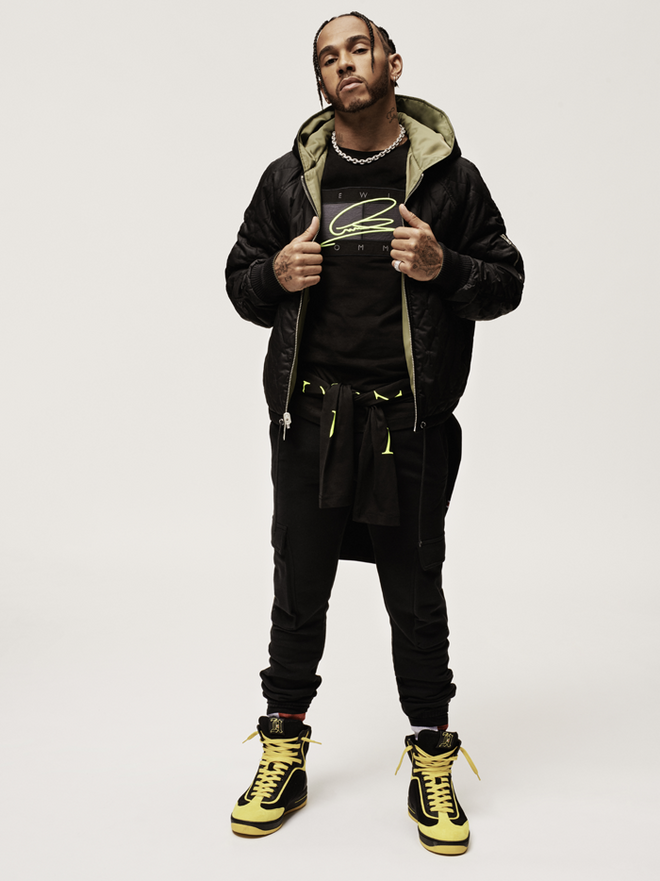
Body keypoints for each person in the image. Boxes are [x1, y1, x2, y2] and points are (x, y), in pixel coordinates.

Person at [225, 11, 523, 856]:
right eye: (329, 57)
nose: (345, 64)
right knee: (298, 584)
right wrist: (274, 273)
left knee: (415, 592)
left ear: (393, 62)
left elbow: (506, 280)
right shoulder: (289, 180)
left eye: (359, 48)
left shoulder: (449, 180)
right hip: (311, 417)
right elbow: (240, 281)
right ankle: (283, 748)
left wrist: (444, 266)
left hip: (408, 422)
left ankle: (432, 753)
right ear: (320, 81)